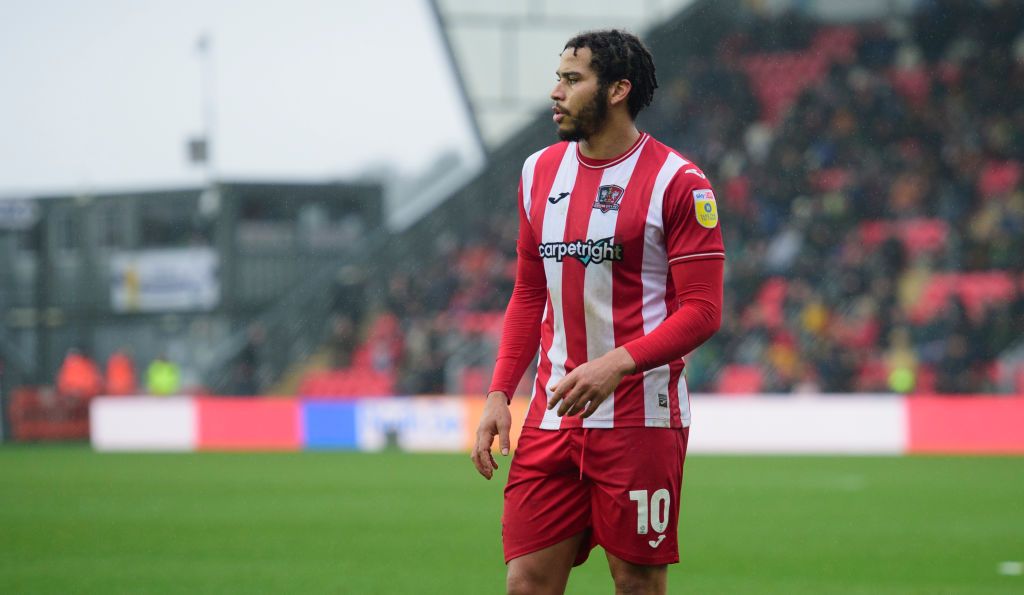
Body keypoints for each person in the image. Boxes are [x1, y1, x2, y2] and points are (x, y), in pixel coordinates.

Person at [470, 30, 724, 595]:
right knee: (526, 583)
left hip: (640, 417)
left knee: (635, 582)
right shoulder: (538, 172)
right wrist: (497, 394)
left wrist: (618, 363)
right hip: (551, 413)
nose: (555, 92)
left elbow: (704, 311)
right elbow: (528, 293)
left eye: (571, 79)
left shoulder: (678, 183)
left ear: (617, 90)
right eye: (558, 77)